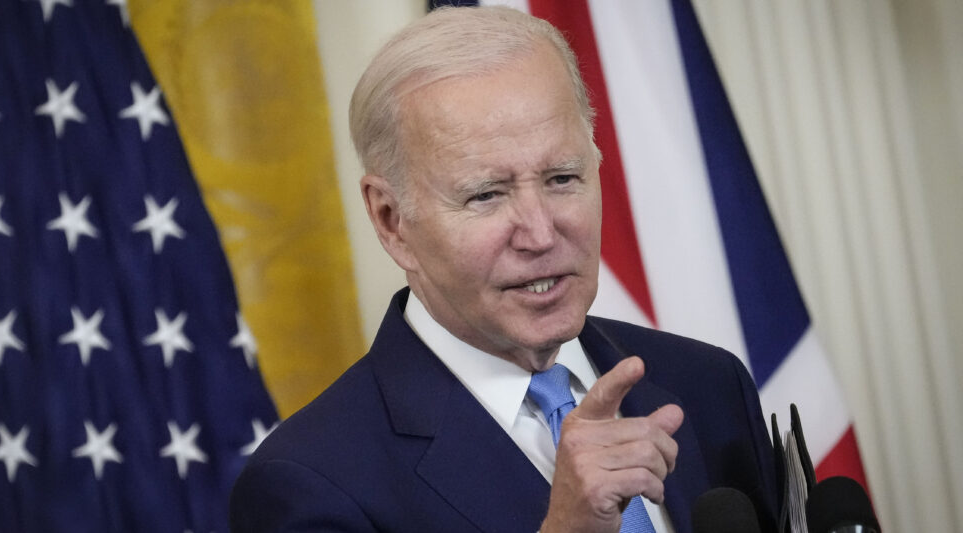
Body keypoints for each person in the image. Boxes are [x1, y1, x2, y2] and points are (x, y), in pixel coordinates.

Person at [230, 6, 778, 533]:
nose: (541, 235)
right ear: (392, 220)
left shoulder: (709, 385)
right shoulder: (309, 481)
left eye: (562, 178)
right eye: (486, 196)